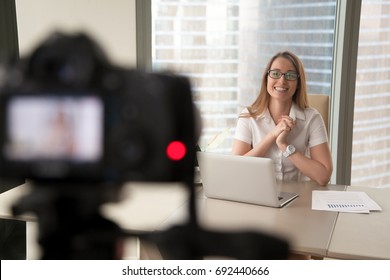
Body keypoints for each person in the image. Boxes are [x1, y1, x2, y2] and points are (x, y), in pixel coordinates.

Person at [232, 51, 332, 186]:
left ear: (298, 83)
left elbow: (323, 176)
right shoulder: (248, 117)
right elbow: (236, 170)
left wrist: (285, 146)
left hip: (298, 199)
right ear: (266, 78)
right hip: (255, 196)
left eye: (290, 75)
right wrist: (272, 135)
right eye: (275, 73)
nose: (282, 81)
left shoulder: (312, 118)